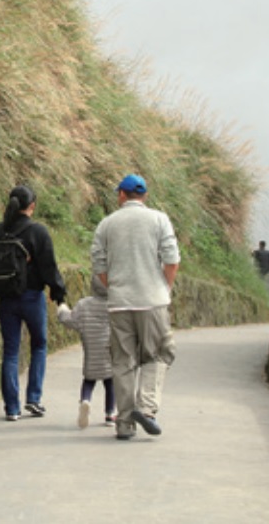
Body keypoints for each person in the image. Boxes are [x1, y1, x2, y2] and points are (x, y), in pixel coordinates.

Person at [91, 174, 180, 440]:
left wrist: (114, 288)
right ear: (144, 196)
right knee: (160, 353)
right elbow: (172, 259)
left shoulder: (106, 224)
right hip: (153, 300)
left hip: (119, 303)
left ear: (121, 195)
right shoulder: (159, 219)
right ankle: (147, 409)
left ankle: (125, 423)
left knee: (123, 361)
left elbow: (99, 266)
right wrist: (165, 287)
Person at [0, 184, 67, 421]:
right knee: (39, 345)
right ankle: (33, 398)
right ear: (32, 206)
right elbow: (49, 267)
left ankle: (11, 408)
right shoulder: (38, 232)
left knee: (11, 351)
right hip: (32, 297)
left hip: (6, 298)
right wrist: (58, 293)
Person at [57, 274, 116, 429]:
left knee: (89, 380)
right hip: (109, 351)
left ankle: (85, 400)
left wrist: (62, 309)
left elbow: (69, 320)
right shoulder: (114, 305)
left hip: (91, 351)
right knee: (110, 382)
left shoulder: (84, 305)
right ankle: (110, 413)